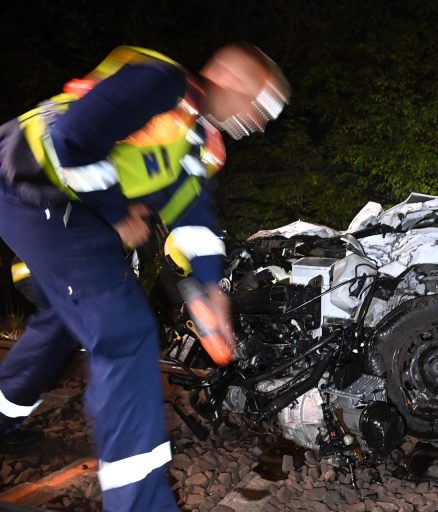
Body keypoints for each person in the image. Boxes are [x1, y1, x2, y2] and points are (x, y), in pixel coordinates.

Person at [0, 43, 289, 510]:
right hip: (34, 184)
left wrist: (213, 287)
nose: (260, 121)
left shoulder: (198, 144)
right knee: (127, 329)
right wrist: (118, 213)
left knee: (62, 321)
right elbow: (73, 137)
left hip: (67, 210)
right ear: (229, 77)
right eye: (262, 104)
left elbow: (194, 218)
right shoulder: (164, 83)